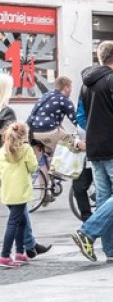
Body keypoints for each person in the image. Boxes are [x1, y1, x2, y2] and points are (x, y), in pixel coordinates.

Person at [70, 41, 113, 264]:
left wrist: (94, 130)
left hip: (94, 146)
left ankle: (111, 247)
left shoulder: (85, 84)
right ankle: (86, 232)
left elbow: (79, 116)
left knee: (106, 197)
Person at [0, 123, 37, 268]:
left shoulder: (3, 150)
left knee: (21, 222)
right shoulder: (26, 149)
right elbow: (33, 167)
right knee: (14, 223)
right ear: (25, 136)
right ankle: (4, 256)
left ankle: (20, 253)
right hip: (20, 192)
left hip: (7, 191)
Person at [27, 75, 76, 158]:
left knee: (48, 155)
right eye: (70, 87)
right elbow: (75, 120)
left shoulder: (46, 95)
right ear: (66, 87)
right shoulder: (64, 99)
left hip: (32, 132)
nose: (71, 90)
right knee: (74, 145)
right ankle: (68, 169)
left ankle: (46, 168)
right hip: (48, 131)